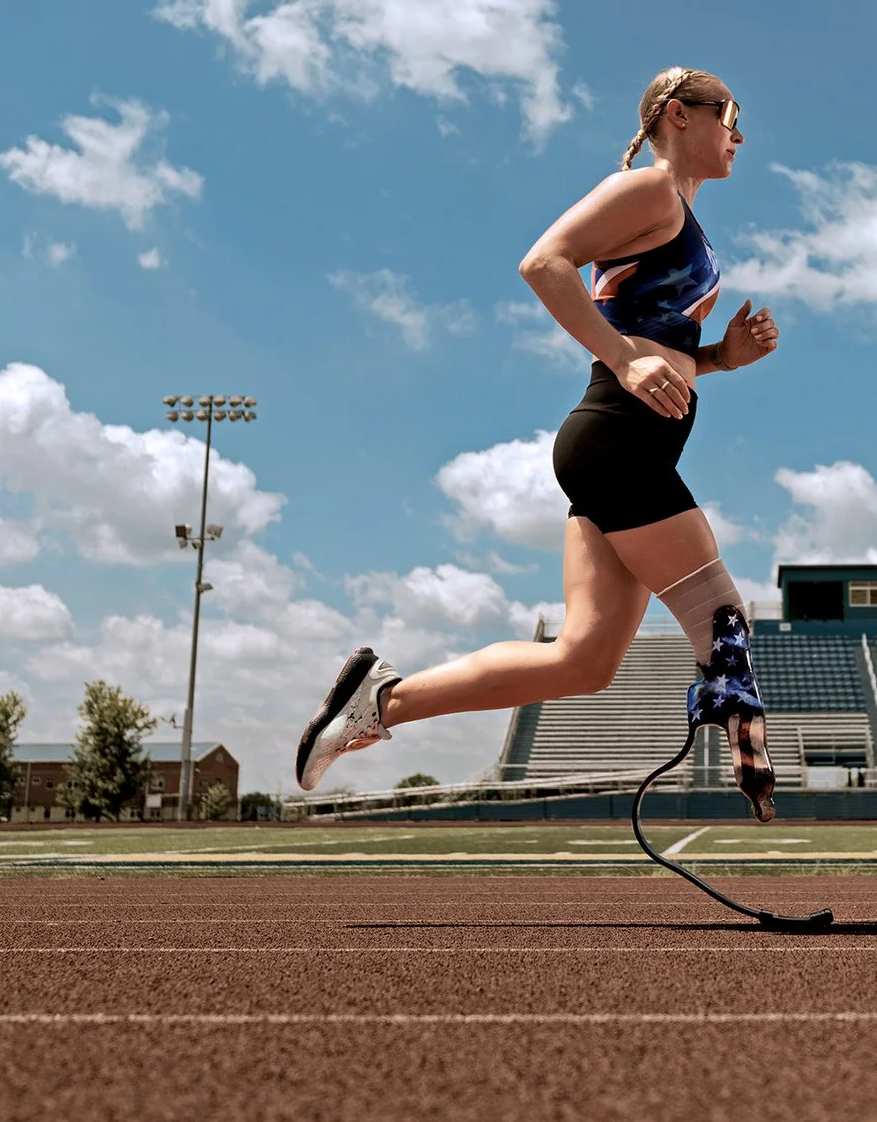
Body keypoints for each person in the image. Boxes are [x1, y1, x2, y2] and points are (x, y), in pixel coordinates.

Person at [294, 66, 785, 818]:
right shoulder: (648, 190)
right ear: (680, 116)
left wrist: (720, 358)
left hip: (626, 451)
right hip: (619, 443)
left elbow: (657, 338)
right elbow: (542, 263)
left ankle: (379, 701)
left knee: (583, 662)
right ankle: (746, 757)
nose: (739, 135)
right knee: (723, 628)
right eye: (731, 115)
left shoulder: (678, 212)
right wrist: (625, 358)